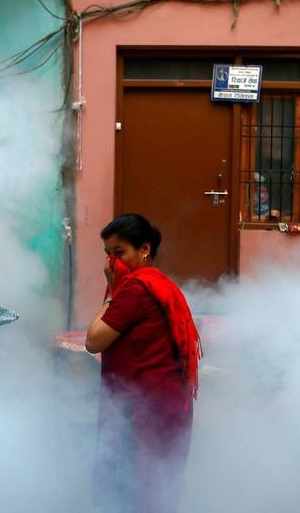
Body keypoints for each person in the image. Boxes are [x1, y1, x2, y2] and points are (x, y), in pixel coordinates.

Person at [86, 213, 201, 513]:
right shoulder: (158, 283)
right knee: (156, 486)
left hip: (141, 411)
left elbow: (93, 341)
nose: (112, 263)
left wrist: (111, 292)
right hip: (163, 405)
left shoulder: (135, 288)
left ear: (144, 249)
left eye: (120, 253)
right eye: (108, 254)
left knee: (135, 489)